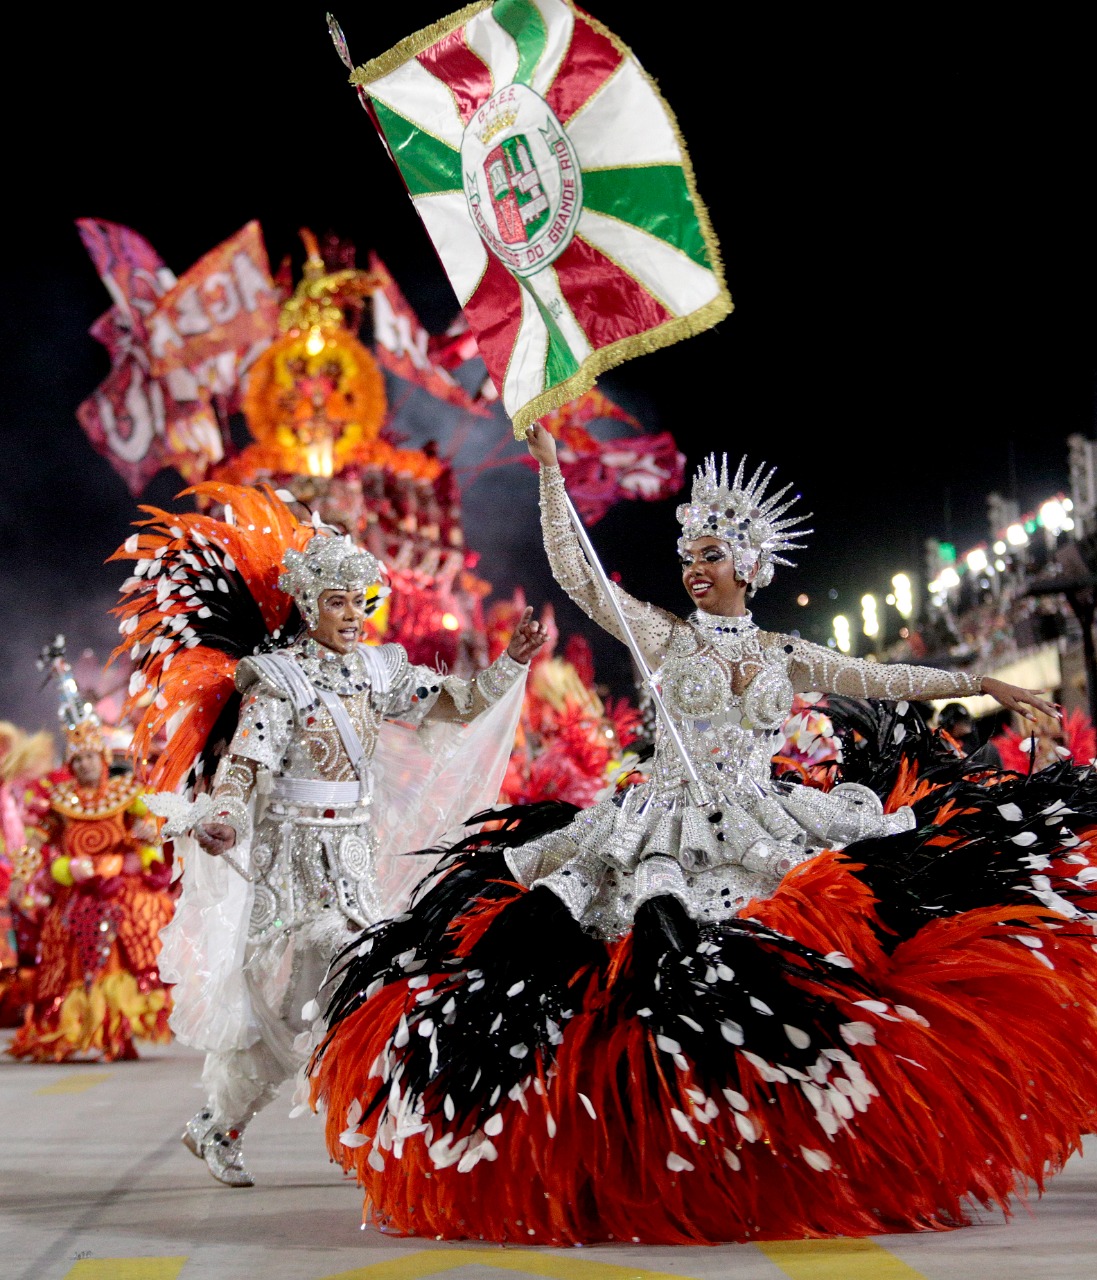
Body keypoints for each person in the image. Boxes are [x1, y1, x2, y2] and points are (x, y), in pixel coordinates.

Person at [311, 431, 1097, 1245]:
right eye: (689, 551)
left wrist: (982, 680)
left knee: (789, 983)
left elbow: (887, 676)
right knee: (653, 987)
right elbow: (579, 577)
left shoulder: (783, 653)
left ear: (750, 567)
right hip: (662, 830)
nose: (695, 565)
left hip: (764, 826)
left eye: (713, 553)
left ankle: (793, 1151)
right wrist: (549, 473)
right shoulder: (663, 635)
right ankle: (661, 1158)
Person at [114, 482, 545, 1188]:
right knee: (306, 997)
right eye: (337, 601)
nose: (352, 614)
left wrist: (512, 662)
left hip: (354, 854)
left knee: (361, 985)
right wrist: (221, 817)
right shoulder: (278, 682)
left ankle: (362, 1126)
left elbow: (458, 703)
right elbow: (244, 767)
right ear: (310, 606)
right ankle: (243, 1124)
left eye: (359, 601)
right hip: (290, 864)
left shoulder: (381, 671)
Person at [7, 710, 173, 1063]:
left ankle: (119, 1032)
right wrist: (21, 877)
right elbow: (34, 844)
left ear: (103, 759)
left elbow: (153, 825)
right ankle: (80, 1030)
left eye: (90, 757)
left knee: (130, 937)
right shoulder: (59, 801)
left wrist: (149, 834)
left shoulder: (128, 793)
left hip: (121, 888)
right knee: (67, 952)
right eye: (77, 759)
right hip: (76, 890)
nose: (84, 765)